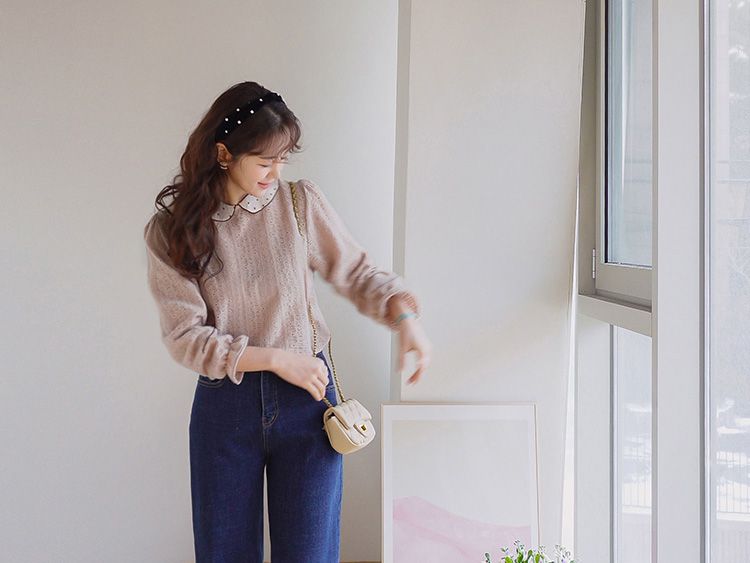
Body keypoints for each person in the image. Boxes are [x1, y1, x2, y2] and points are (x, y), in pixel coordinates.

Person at [142, 81, 432, 562]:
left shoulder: (299, 203)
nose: (276, 172)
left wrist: (403, 317)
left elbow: (357, 272)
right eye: (264, 161)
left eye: (283, 159)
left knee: (309, 554)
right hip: (226, 405)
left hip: (308, 402)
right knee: (224, 554)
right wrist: (276, 359)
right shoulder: (172, 231)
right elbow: (185, 337)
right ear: (223, 153)